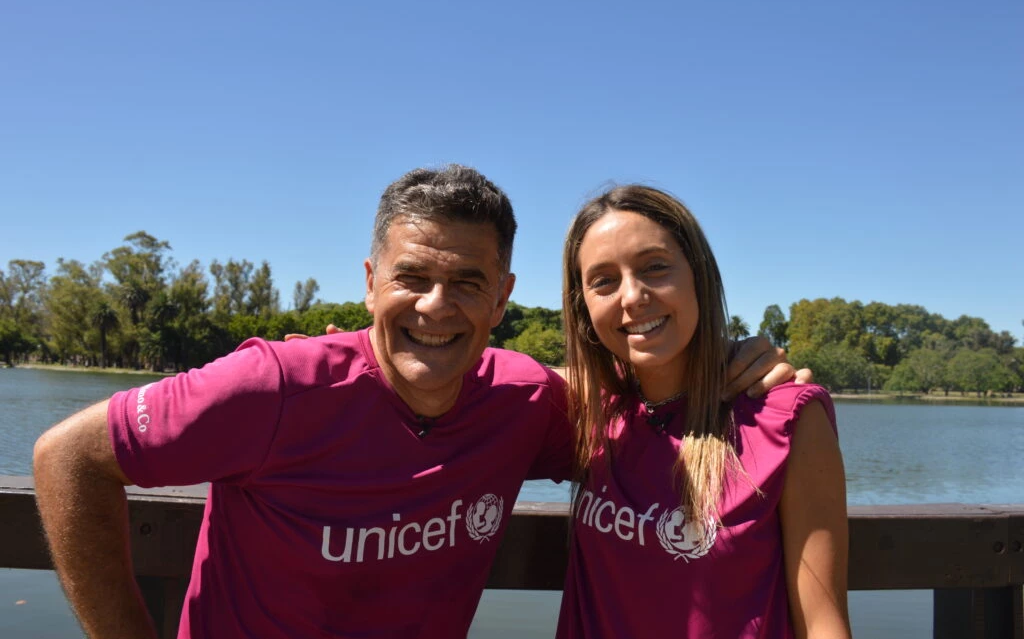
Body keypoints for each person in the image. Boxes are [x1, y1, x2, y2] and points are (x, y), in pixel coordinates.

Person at [33, 165, 801, 639]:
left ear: (502, 297)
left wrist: (736, 371)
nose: (436, 305)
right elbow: (67, 456)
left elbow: (643, 408)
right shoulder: (273, 386)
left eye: (467, 281)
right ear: (371, 282)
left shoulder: (526, 401)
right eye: (411, 277)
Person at [555, 184, 851, 638]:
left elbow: (823, 625)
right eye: (604, 281)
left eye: (655, 267)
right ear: (583, 307)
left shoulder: (788, 417)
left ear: (700, 275)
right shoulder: (588, 406)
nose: (632, 296)